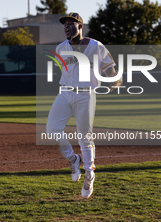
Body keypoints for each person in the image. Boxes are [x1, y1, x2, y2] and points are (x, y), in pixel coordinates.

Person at [46, 12, 122, 198]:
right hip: (64, 93)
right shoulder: (61, 47)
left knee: (84, 137)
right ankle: (73, 159)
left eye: (71, 23)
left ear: (80, 26)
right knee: (52, 130)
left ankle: (89, 174)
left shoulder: (96, 46)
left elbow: (111, 70)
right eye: (64, 24)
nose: (66, 26)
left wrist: (115, 81)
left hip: (86, 95)